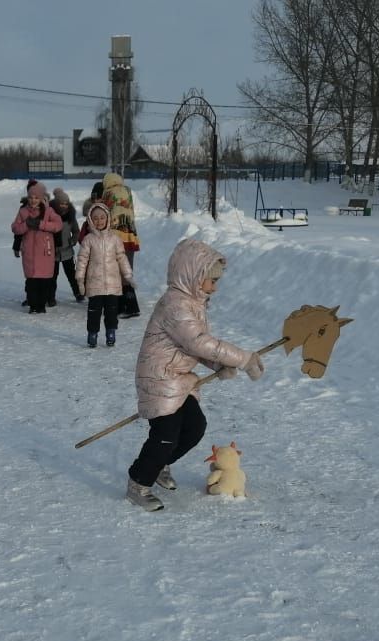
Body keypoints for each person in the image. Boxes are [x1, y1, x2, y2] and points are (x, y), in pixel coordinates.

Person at [125, 239, 264, 511]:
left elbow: (195, 347)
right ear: (192, 276)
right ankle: (138, 482)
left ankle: (161, 463)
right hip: (159, 379)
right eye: (211, 279)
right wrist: (243, 358)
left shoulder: (193, 303)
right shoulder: (175, 305)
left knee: (194, 428)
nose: (215, 286)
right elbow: (197, 342)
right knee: (165, 435)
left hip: (179, 378)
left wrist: (218, 366)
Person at [75, 201, 134, 348]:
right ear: (90, 220)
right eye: (95, 218)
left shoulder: (115, 239)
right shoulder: (88, 240)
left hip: (113, 284)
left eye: (102, 217)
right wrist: (80, 279)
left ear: (108, 218)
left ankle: (111, 332)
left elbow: (121, 257)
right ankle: (92, 333)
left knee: (111, 312)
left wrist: (128, 275)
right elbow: (82, 259)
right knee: (94, 311)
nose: (99, 221)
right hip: (94, 284)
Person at [11, 181, 63, 313]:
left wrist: (41, 224)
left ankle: (41, 305)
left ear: (41, 198)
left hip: (45, 252)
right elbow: (15, 228)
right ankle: (33, 306)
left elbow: (58, 225)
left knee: (44, 280)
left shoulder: (49, 211)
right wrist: (26, 225)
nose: (33, 200)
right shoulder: (23, 212)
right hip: (29, 251)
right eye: (30, 197)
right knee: (31, 281)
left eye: (36, 198)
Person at [101, 172, 141, 318]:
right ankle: (132, 305)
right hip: (130, 236)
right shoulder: (128, 190)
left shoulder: (108, 193)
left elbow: (104, 214)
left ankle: (121, 307)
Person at [50, 187, 83, 304]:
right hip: (53, 251)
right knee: (52, 276)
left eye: (66, 203)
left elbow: (76, 231)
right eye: (61, 203)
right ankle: (51, 297)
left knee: (71, 274)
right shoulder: (50, 215)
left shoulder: (70, 216)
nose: (64, 206)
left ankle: (78, 293)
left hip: (67, 250)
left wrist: (73, 240)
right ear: (56, 204)